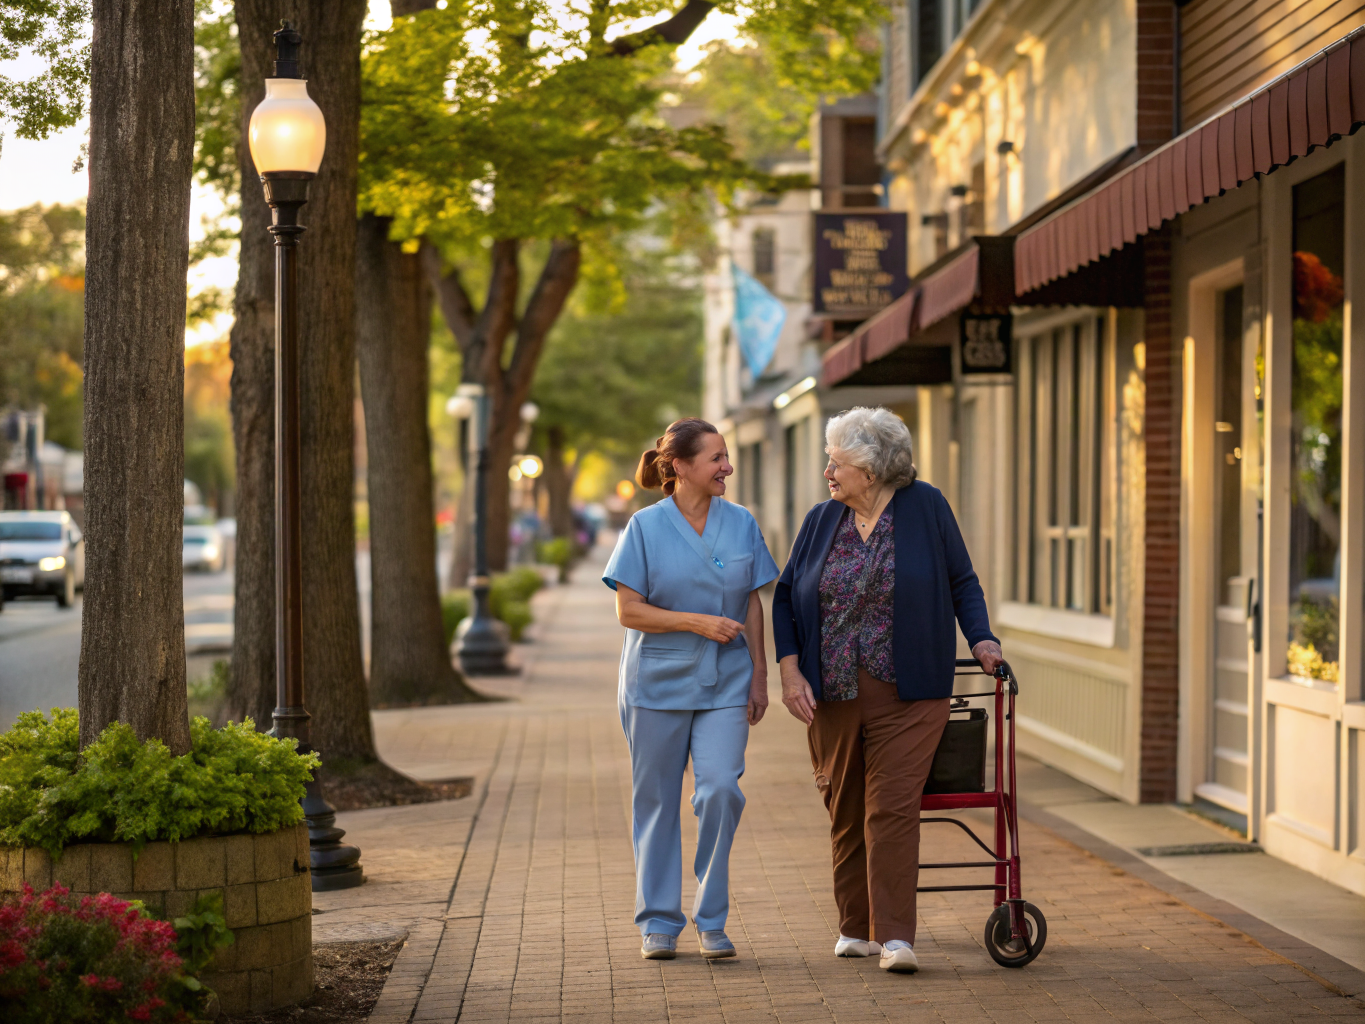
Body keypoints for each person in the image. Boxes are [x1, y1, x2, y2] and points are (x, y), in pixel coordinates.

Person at [772, 407, 1003, 974]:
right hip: (833, 693)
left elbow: (961, 581)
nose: (829, 469)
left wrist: (982, 640)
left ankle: (897, 936)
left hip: (911, 692)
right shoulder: (821, 520)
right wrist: (789, 669)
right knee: (845, 810)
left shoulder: (927, 509)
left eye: (838, 461)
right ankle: (857, 927)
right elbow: (784, 598)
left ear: (871, 471)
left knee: (891, 810)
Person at [603, 418, 780, 961]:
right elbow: (628, 611)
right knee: (656, 804)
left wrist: (759, 672)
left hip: (726, 681)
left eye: (726, 456)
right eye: (717, 458)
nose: (727, 466)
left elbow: (752, 601)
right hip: (655, 683)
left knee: (720, 789)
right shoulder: (643, 527)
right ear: (679, 467)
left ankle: (711, 918)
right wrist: (696, 622)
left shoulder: (742, 522)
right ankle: (658, 921)